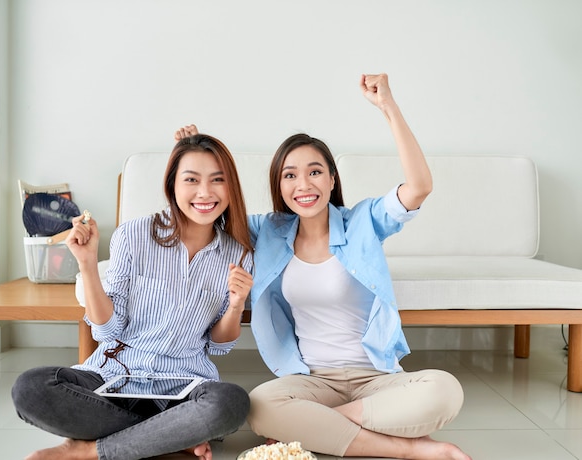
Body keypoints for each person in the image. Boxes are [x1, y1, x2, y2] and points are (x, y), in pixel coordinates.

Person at [176, 73, 470, 460]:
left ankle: (320, 425)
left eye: (315, 172)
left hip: (376, 379)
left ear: (332, 179)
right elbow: (211, 211)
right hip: (310, 380)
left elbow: (418, 186)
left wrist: (388, 107)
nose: (304, 184)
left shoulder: (363, 221)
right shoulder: (269, 231)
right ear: (279, 186)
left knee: (445, 390)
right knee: (260, 404)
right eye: (290, 175)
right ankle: (408, 450)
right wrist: (190, 155)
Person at [11, 133, 254, 460]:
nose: (205, 192)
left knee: (231, 403)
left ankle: (89, 450)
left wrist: (236, 305)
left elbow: (219, 346)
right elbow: (107, 331)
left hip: (185, 386)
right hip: (113, 377)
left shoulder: (238, 253)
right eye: (191, 180)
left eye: (217, 180)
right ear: (172, 186)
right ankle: (171, 436)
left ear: (231, 187)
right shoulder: (134, 234)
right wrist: (87, 263)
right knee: (30, 388)